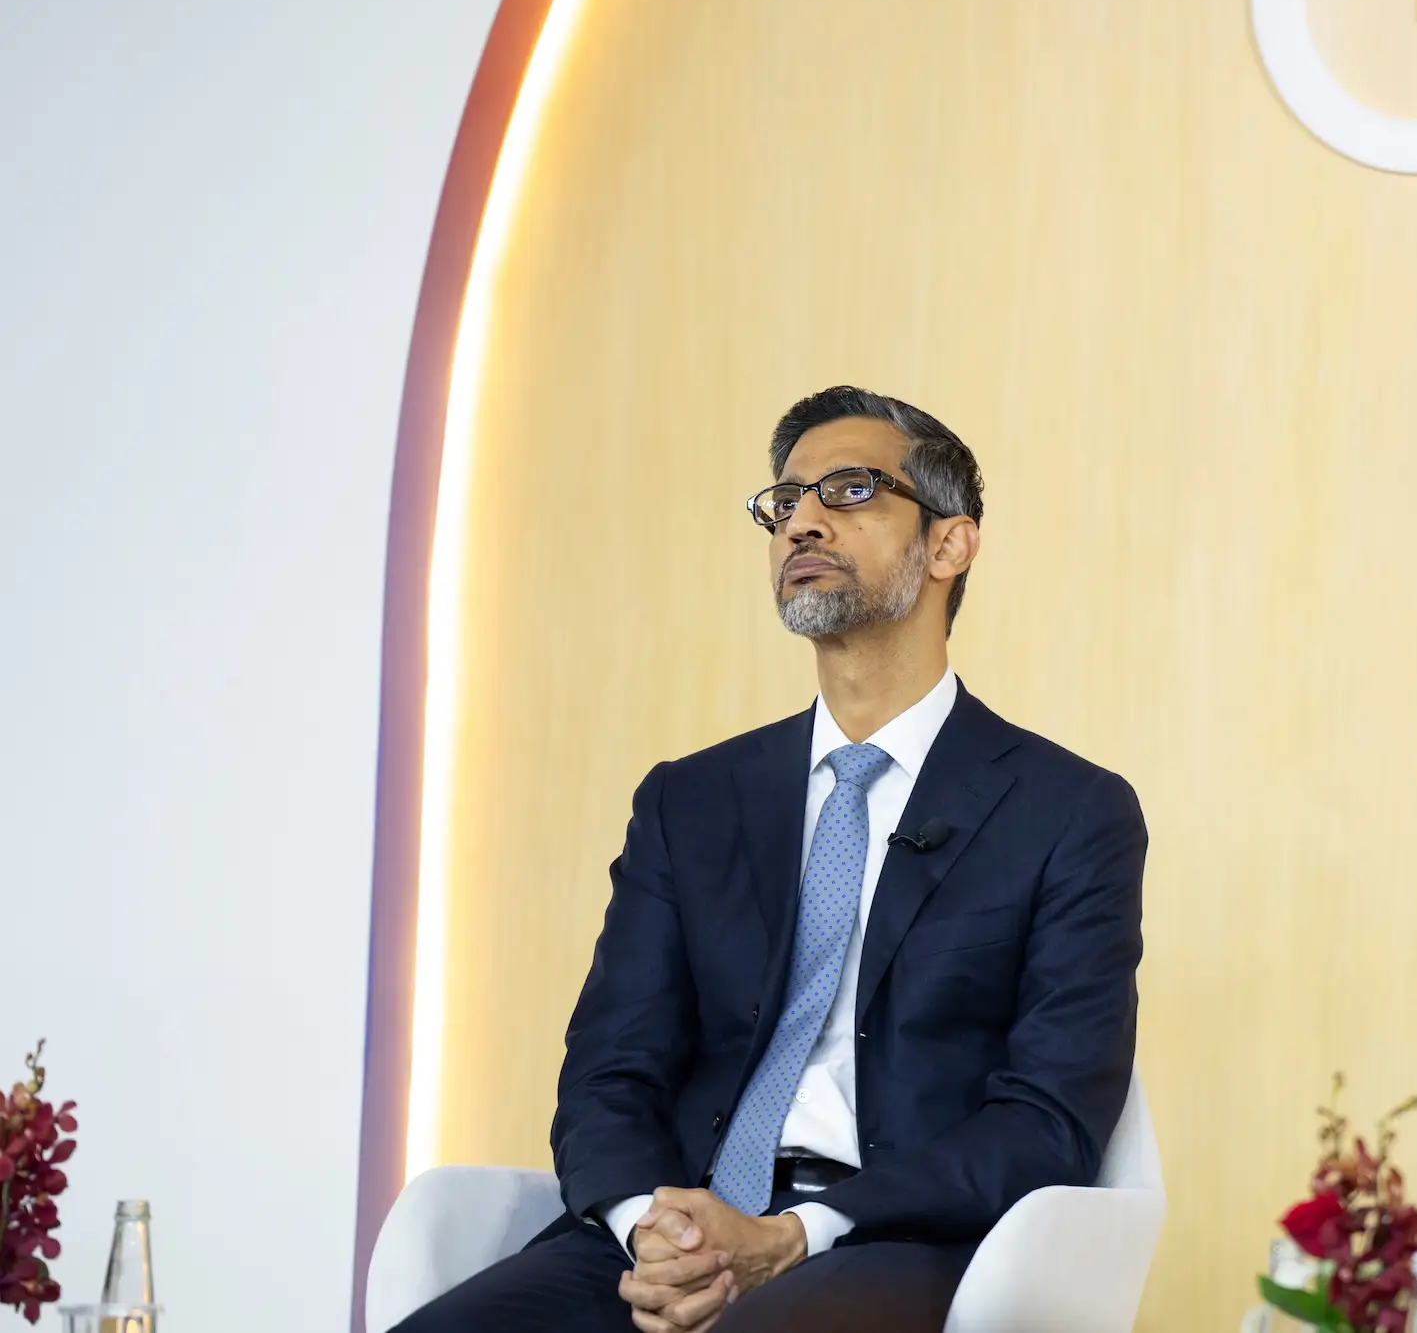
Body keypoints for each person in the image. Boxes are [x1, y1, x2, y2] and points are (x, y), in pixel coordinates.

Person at [394, 387, 1148, 1333]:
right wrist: (648, 1228)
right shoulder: (691, 799)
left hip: (893, 1238)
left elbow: (1049, 1118)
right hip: (675, 1228)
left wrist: (798, 1232)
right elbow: (608, 1067)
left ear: (950, 546)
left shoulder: (1067, 810)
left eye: (851, 489)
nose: (803, 521)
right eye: (784, 502)